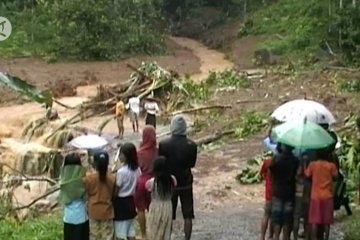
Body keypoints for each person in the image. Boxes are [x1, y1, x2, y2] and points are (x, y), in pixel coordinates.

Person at [159, 115, 197, 240]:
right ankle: (187, 238)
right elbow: (192, 164)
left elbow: (162, 163)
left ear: (172, 127)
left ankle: (168, 237)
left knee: (169, 214)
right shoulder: (192, 145)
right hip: (186, 182)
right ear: (184, 128)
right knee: (188, 214)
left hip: (170, 183)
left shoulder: (163, 144)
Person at [305, 150, 338, 240]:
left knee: (315, 221)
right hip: (327, 195)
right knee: (326, 222)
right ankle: (326, 238)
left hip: (315, 196)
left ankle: (314, 238)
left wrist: (304, 163)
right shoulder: (331, 166)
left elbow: (307, 174)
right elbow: (336, 176)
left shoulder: (313, 165)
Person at [270, 143, 299, 240]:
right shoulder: (295, 160)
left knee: (277, 217)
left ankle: (276, 237)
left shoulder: (277, 159)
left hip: (278, 191)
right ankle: (286, 237)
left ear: (284, 146)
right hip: (290, 191)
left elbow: (271, 172)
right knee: (287, 218)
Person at [84, 152, 115, 240]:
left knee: (94, 236)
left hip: (93, 210)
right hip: (107, 211)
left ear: (94, 164)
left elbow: (86, 192)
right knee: (108, 236)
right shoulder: (112, 178)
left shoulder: (89, 178)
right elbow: (114, 194)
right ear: (107, 163)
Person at [114, 143, 141, 240]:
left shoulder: (121, 172)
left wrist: (112, 199)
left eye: (121, 154)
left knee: (120, 233)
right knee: (130, 231)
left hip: (121, 203)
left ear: (127, 156)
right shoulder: (137, 170)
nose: (119, 156)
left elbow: (117, 189)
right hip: (131, 201)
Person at [146, 156, 177, 240]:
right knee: (166, 228)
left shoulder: (152, 182)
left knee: (154, 228)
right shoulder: (172, 180)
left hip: (155, 206)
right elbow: (173, 192)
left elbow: (148, 192)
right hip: (168, 206)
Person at [59, 153, 89, 240]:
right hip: (81, 217)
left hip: (69, 218)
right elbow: (86, 197)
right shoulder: (83, 179)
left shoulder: (63, 180)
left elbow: (63, 198)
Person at [135, 125, 157, 239]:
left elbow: (136, 168)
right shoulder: (158, 151)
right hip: (154, 182)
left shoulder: (139, 152)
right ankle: (154, 232)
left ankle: (144, 234)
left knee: (140, 209)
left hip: (141, 181)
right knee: (152, 208)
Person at [260, 154, 274, 240]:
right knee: (273, 217)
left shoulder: (268, 161)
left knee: (266, 215)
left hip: (269, 193)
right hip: (278, 194)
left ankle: (262, 236)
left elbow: (262, 174)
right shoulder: (282, 162)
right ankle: (271, 236)